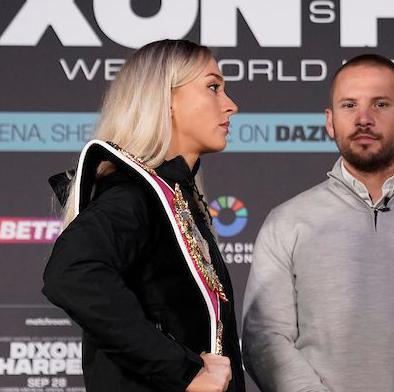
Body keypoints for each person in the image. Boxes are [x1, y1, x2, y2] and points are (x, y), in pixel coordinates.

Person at [242, 54, 394, 392]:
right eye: (349, 105)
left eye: (380, 104)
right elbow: (264, 337)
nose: (363, 119)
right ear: (330, 121)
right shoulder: (287, 222)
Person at [42, 39, 245, 392]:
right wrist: (184, 370)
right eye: (213, 87)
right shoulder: (133, 196)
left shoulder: (176, 198)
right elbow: (70, 274)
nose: (231, 105)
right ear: (164, 98)